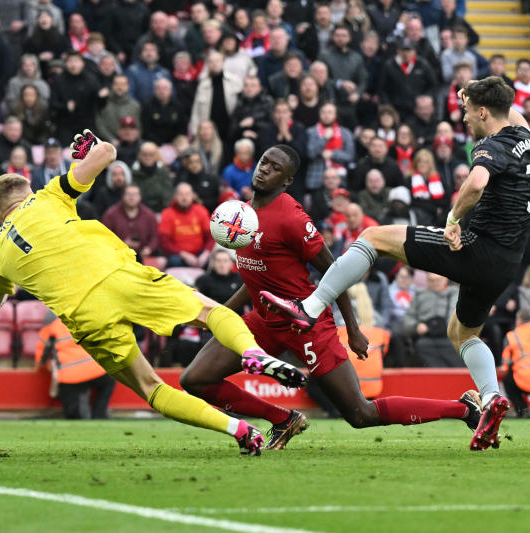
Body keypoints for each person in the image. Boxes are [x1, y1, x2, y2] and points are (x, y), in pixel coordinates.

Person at [0, 131, 307, 455]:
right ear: (28, 192)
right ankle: (252, 353)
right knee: (208, 312)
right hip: (120, 277)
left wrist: (3, 285)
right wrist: (85, 154)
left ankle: (236, 428)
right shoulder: (48, 195)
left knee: (151, 388)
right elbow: (108, 152)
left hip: (86, 316)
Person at [262, 77, 530, 451]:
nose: (464, 119)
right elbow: (507, 106)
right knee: (462, 333)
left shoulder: (492, 145)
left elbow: (475, 183)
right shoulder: (524, 133)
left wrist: (453, 219)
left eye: (467, 111)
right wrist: (473, 89)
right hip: (507, 262)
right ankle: (491, 399)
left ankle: (310, 308)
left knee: (374, 237)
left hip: (477, 250)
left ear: (484, 111)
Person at [179, 144, 481, 451]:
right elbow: (256, 277)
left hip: (305, 323)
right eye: (264, 162)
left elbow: (337, 271)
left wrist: (352, 327)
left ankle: (465, 408)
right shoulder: (241, 216)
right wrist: (217, 316)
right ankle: (283, 419)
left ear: (287, 181)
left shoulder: (292, 218)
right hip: (263, 320)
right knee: (195, 379)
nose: (265, 169)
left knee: (360, 414)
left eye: (275, 168)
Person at [36, 311, 115, 419]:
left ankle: (87, 415)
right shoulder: (87, 312)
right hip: (98, 370)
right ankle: (99, 414)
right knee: (108, 382)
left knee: (74, 417)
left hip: (70, 376)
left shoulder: (51, 319)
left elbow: (41, 356)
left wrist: (43, 368)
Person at [158, 183, 213, 268]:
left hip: (200, 253)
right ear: (175, 197)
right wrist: (183, 254)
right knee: (174, 261)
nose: (184, 198)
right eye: (181, 194)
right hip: (178, 255)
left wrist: (206, 253)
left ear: (193, 196)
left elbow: (211, 236)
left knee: (216, 259)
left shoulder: (201, 210)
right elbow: (164, 242)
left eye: (187, 194)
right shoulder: (167, 213)